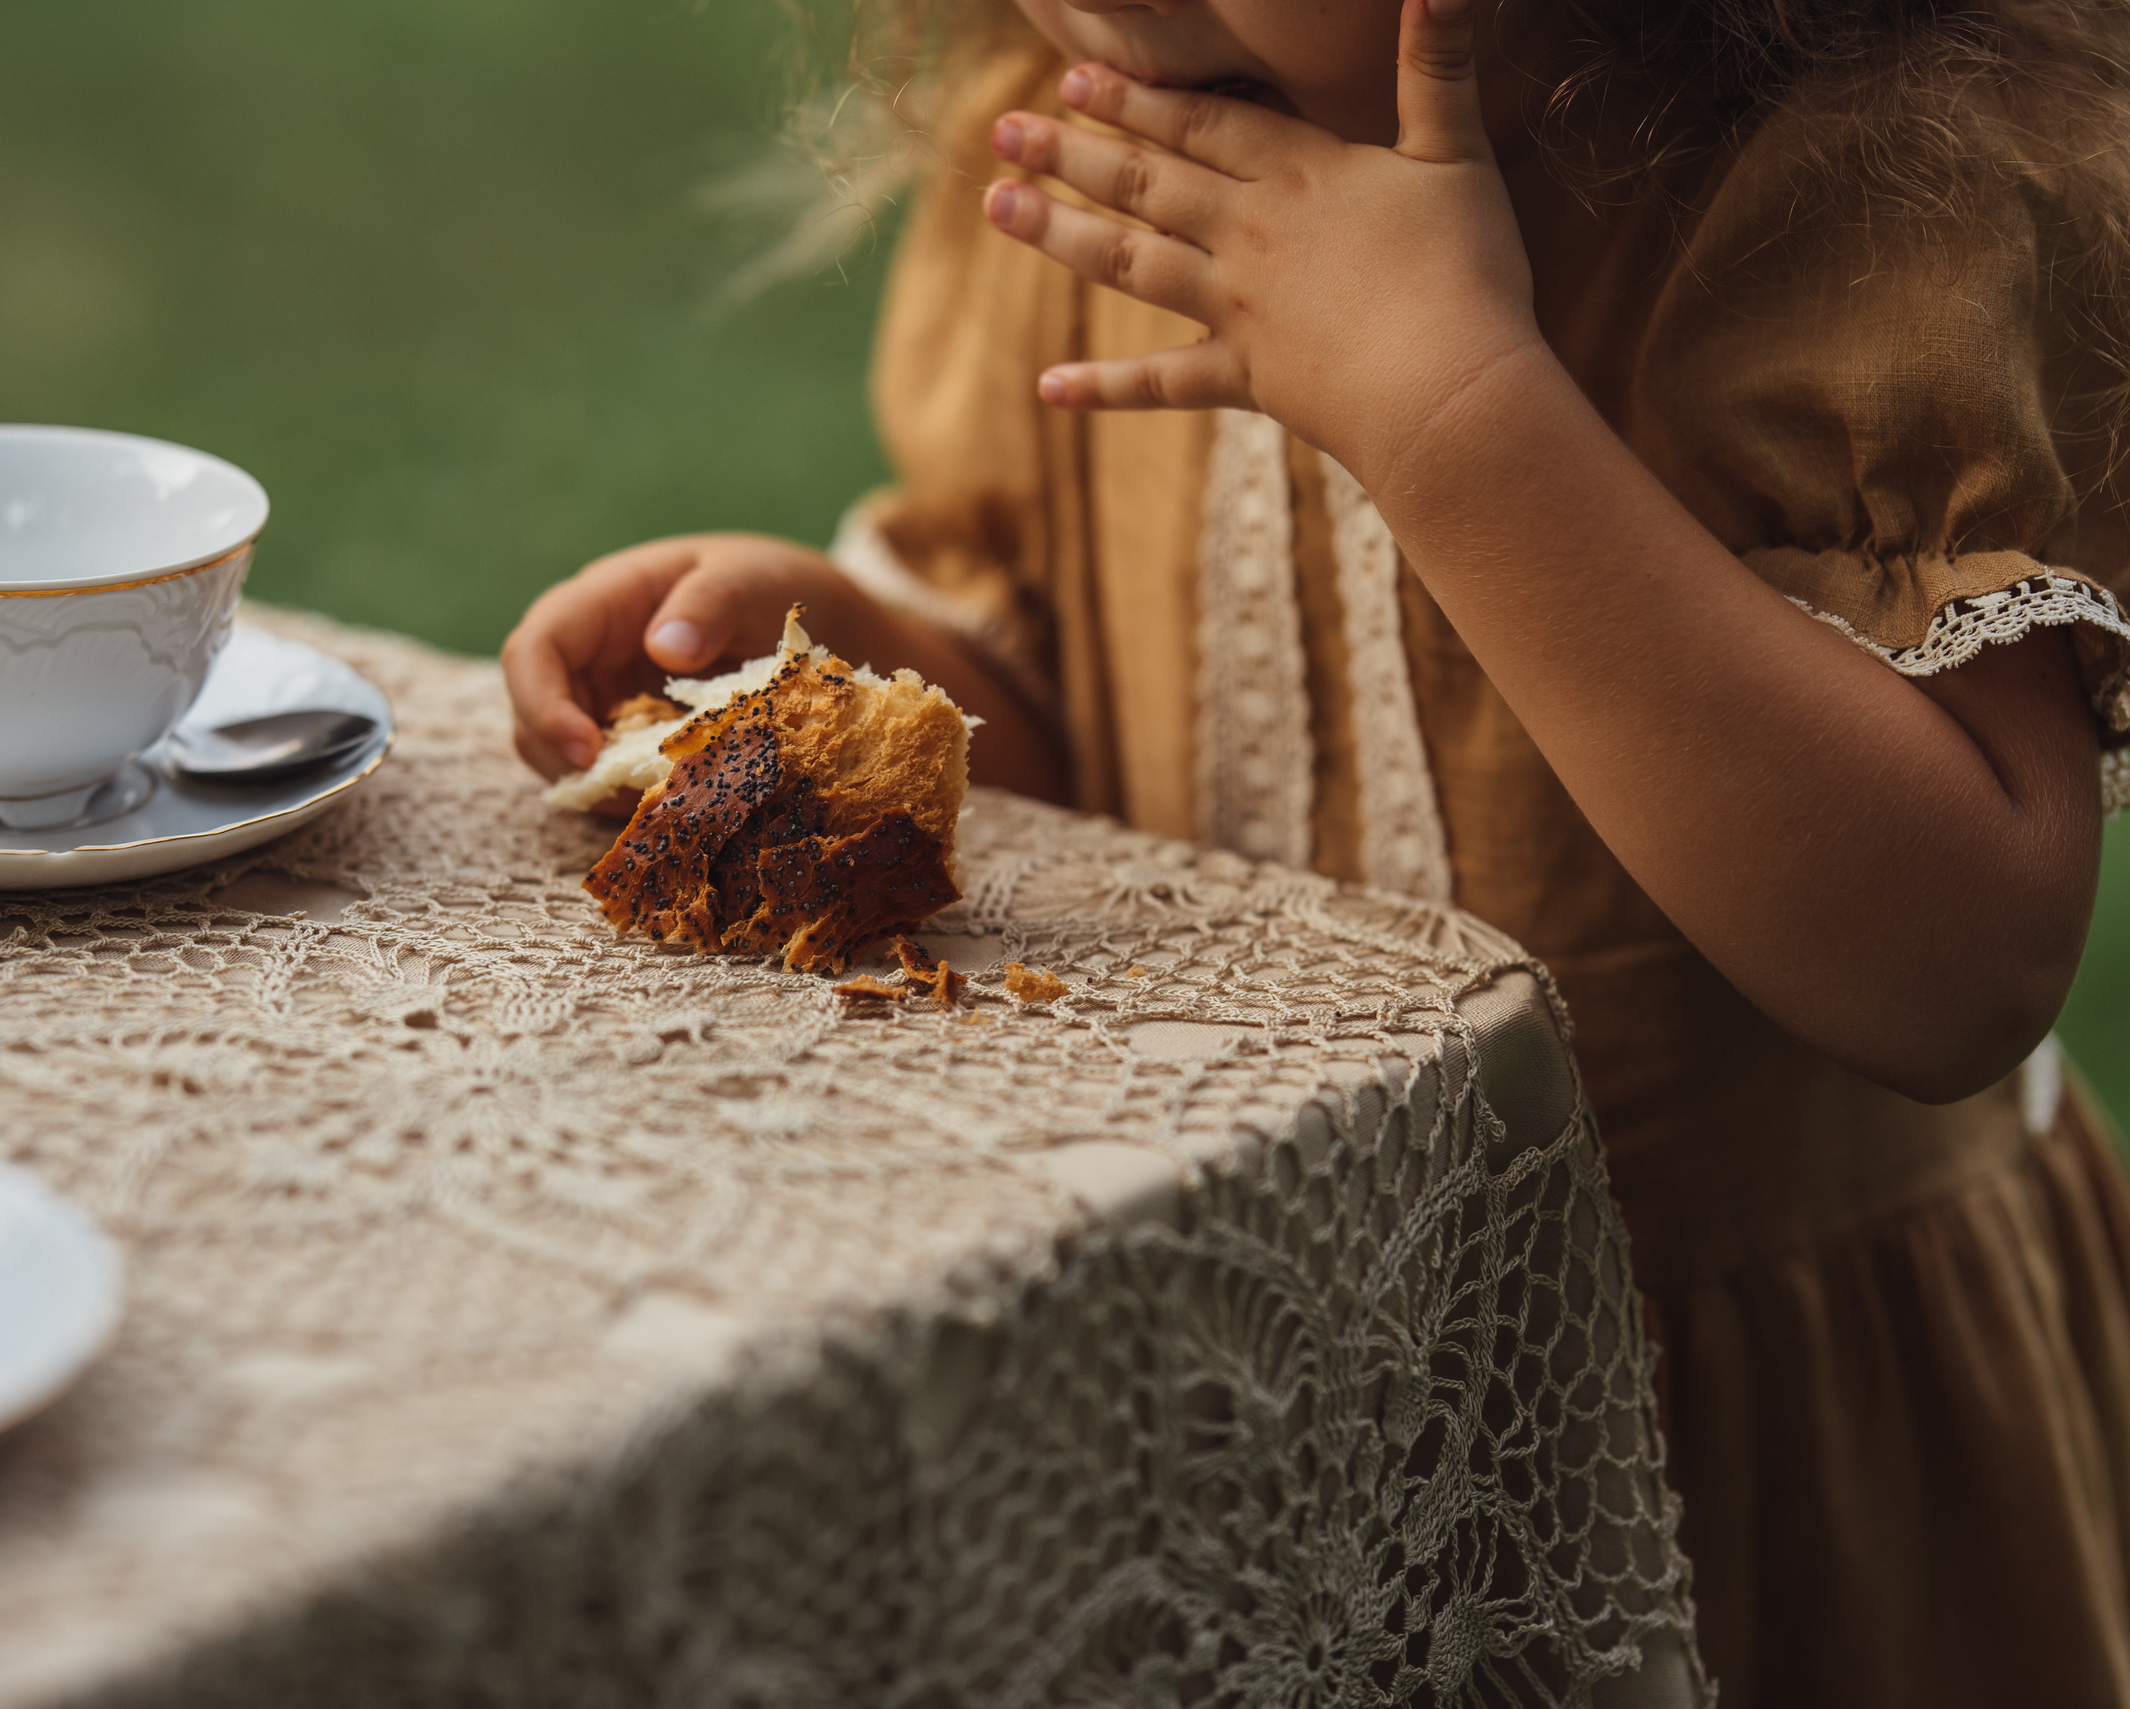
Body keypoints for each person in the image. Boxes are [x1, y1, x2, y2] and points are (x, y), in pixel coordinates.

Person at [501, 0, 2130, 1699]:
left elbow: (1961, 965)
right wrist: (869, 655)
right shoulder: (1084, 142)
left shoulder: (1872, 181)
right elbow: (1103, 739)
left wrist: (1455, 403)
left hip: (1720, 1464)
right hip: (1238, 1381)